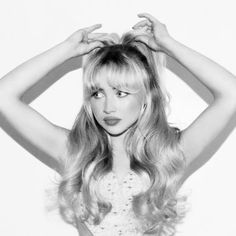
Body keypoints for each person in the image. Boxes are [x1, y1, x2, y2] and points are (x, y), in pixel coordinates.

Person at [0, 12, 236, 236]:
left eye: (121, 93)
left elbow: (231, 93)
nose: (108, 107)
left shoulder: (169, 155)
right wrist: (65, 50)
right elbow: (3, 96)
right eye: (97, 93)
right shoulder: (75, 152)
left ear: (146, 96)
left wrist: (169, 46)